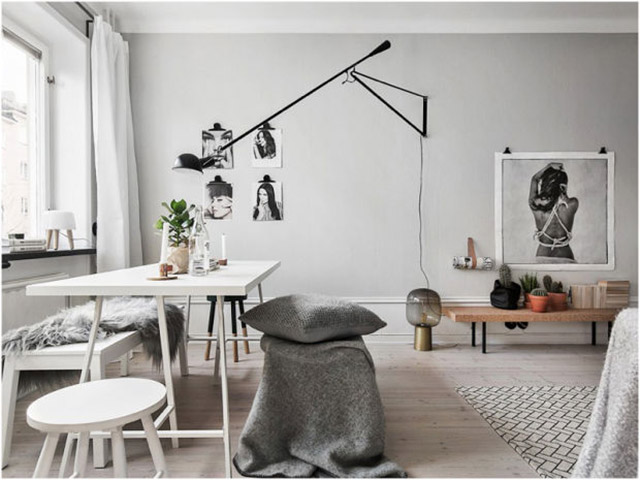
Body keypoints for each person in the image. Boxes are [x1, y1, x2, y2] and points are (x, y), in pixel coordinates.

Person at [528, 162, 579, 263]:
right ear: (563, 185)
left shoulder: (536, 204)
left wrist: (548, 166)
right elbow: (564, 198)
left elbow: (534, 179)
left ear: (545, 183)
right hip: (566, 256)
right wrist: (563, 192)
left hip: (542, 256)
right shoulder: (572, 204)